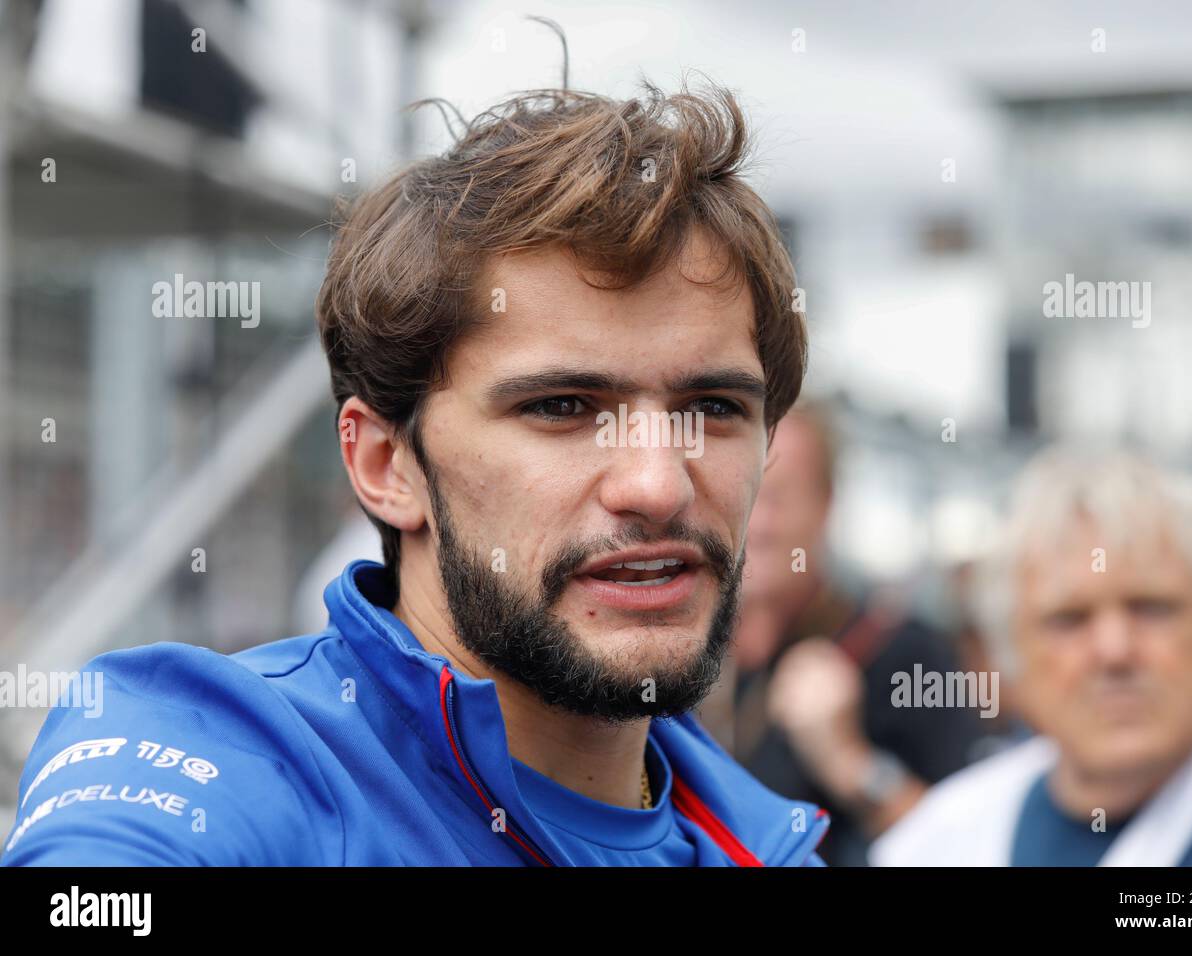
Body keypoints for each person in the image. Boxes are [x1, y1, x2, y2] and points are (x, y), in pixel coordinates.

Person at [2, 80, 829, 866]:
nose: (657, 486)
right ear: (384, 463)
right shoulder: (223, 747)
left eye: (714, 408)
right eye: (563, 408)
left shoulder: (761, 837)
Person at [870, 447, 1192, 866]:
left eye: (1151, 608)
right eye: (1069, 620)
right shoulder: (941, 841)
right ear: (1007, 652)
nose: (1114, 650)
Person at [715, 402, 983, 866]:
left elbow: (974, 848)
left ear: (826, 504)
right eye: (740, 494)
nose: (755, 523)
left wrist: (850, 761)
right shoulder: (686, 657)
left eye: (776, 496)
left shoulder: (902, 652)